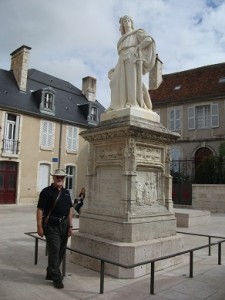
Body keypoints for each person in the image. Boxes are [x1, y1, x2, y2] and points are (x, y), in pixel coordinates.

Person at [107, 15, 156, 111]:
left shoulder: (136, 33)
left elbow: (149, 39)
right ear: (122, 25)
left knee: (131, 80)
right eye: (124, 21)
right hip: (121, 58)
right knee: (114, 81)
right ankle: (116, 104)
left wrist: (139, 47)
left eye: (128, 20)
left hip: (131, 56)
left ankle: (132, 102)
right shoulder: (122, 39)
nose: (127, 22)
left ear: (131, 22)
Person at [36, 168, 73, 289]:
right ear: (53, 178)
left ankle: (50, 272)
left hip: (64, 225)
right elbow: (40, 209)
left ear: (64, 179)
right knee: (54, 252)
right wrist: (39, 226)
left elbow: (70, 210)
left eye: (62, 177)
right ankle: (57, 278)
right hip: (51, 226)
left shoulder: (67, 192)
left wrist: (70, 226)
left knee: (61, 251)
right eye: (57, 177)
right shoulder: (46, 192)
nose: (60, 179)